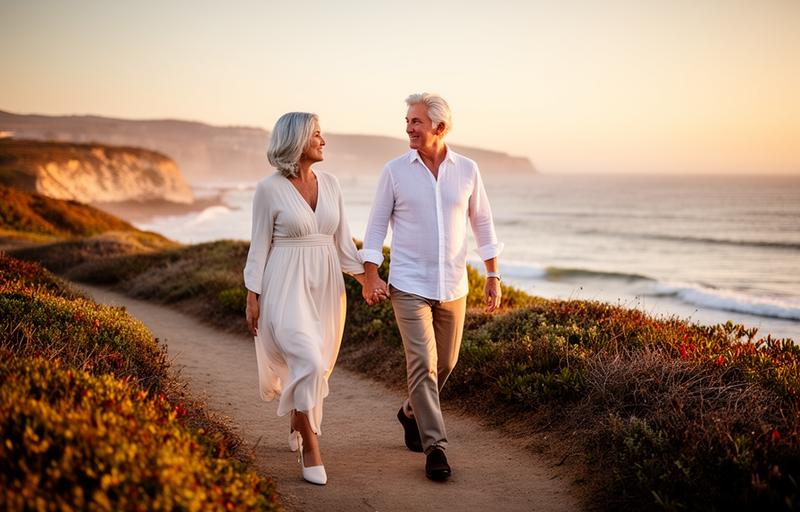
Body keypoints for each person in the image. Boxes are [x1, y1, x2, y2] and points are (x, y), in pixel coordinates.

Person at [360, 93, 503, 481]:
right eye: (407, 121)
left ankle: (410, 411)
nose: (408, 128)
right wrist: (371, 274)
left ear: (439, 127)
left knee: (447, 363)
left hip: (454, 285)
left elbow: (483, 224)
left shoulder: (468, 170)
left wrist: (492, 275)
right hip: (408, 284)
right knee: (422, 362)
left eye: (416, 121)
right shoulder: (394, 171)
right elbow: (375, 227)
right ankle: (435, 447)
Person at [243, 112, 383, 485]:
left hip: (326, 289)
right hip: (283, 285)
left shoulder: (332, 184)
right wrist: (251, 297)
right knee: (306, 358)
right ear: (297, 140)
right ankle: (310, 444)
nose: (324, 141)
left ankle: (297, 417)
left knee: (317, 364)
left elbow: (342, 246)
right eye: (317, 135)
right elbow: (258, 248)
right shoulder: (268, 189)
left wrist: (368, 279)